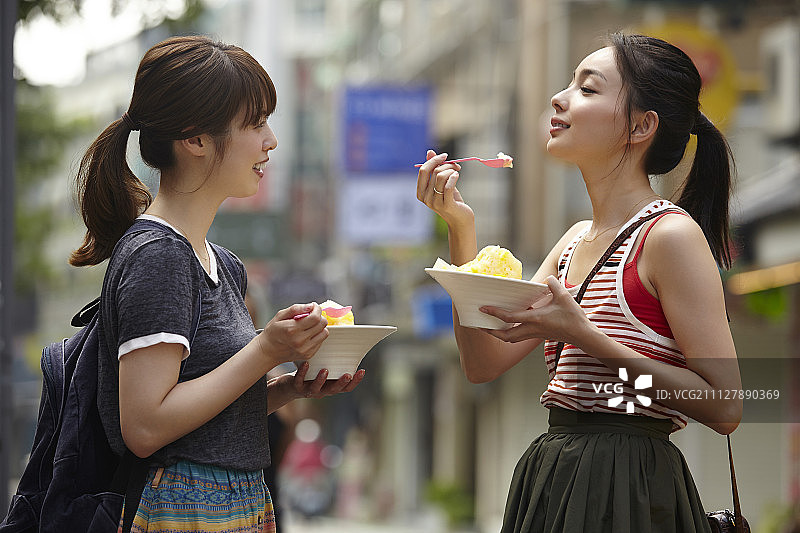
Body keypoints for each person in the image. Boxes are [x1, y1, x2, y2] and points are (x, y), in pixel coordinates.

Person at [416, 33, 743, 533]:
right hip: (554, 476)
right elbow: (483, 362)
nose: (559, 98)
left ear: (640, 126)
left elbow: (725, 406)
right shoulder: (571, 242)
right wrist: (461, 230)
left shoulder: (670, 236)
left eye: (587, 89)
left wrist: (586, 334)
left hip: (632, 485)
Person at [70, 35, 364, 533]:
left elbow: (202, 414)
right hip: (180, 508)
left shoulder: (223, 264)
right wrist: (267, 350)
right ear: (196, 139)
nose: (270, 140)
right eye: (255, 123)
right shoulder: (158, 257)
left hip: (236, 502)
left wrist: (288, 388)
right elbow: (144, 427)